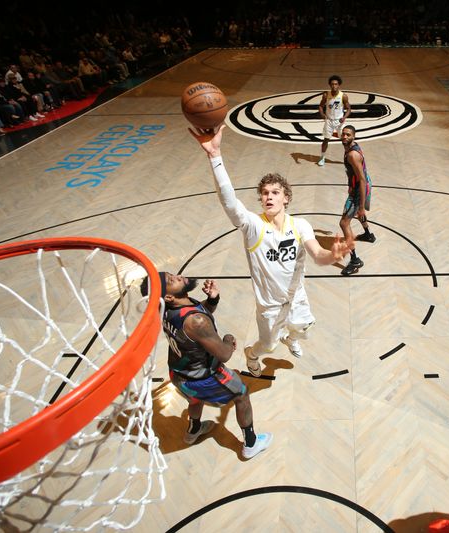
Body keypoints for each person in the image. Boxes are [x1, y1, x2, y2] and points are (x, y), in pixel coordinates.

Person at [190, 124, 353, 376]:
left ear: (286, 197)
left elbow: (319, 256)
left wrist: (333, 254)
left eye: (275, 192)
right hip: (270, 306)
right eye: (265, 193)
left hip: (296, 298)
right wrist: (215, 156)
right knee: (267, 345)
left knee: (304, 328)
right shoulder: (253, 226)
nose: (269, 197)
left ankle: (292, 338)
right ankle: (251, 355)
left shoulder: (300, 225)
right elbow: (229, 201)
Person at [140, 272, 272, 458]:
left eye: (173, 274)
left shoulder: (167, 308)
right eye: (172, 280)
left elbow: (199, 312)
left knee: (195, 400)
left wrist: (213, 299)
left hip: (179, 374)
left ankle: (193, 430)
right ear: (169, 296)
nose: (178, 276)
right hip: (205, 377)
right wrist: (228, 339)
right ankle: (250, 444)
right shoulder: (196, 322)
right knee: (242, 394)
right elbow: (224, 354)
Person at [339, 124, 375, 276]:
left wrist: (360, 207)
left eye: (348, 135)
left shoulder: (352, 155)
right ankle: (368, 235)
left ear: (354, 136)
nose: (345, 137)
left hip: (360, 189)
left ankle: (355, 261)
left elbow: (361, 179)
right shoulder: (352, 147)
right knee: (353, 216)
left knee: (344, 223)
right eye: (343, 134)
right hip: (360, 185)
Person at [317, 74, 351, 167]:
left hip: (339, 121)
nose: (334, 86)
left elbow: (349, 109)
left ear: (339, 85)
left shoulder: (343, 96)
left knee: (345, 140)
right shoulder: (325, 95)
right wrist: (322, 114)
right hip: (329, 120)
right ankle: (322, 157)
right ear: (329, 85)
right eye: (332, 84)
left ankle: (348, 157)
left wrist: (344, 117)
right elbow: (320, 106)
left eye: (336, 84)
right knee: (326, 139)